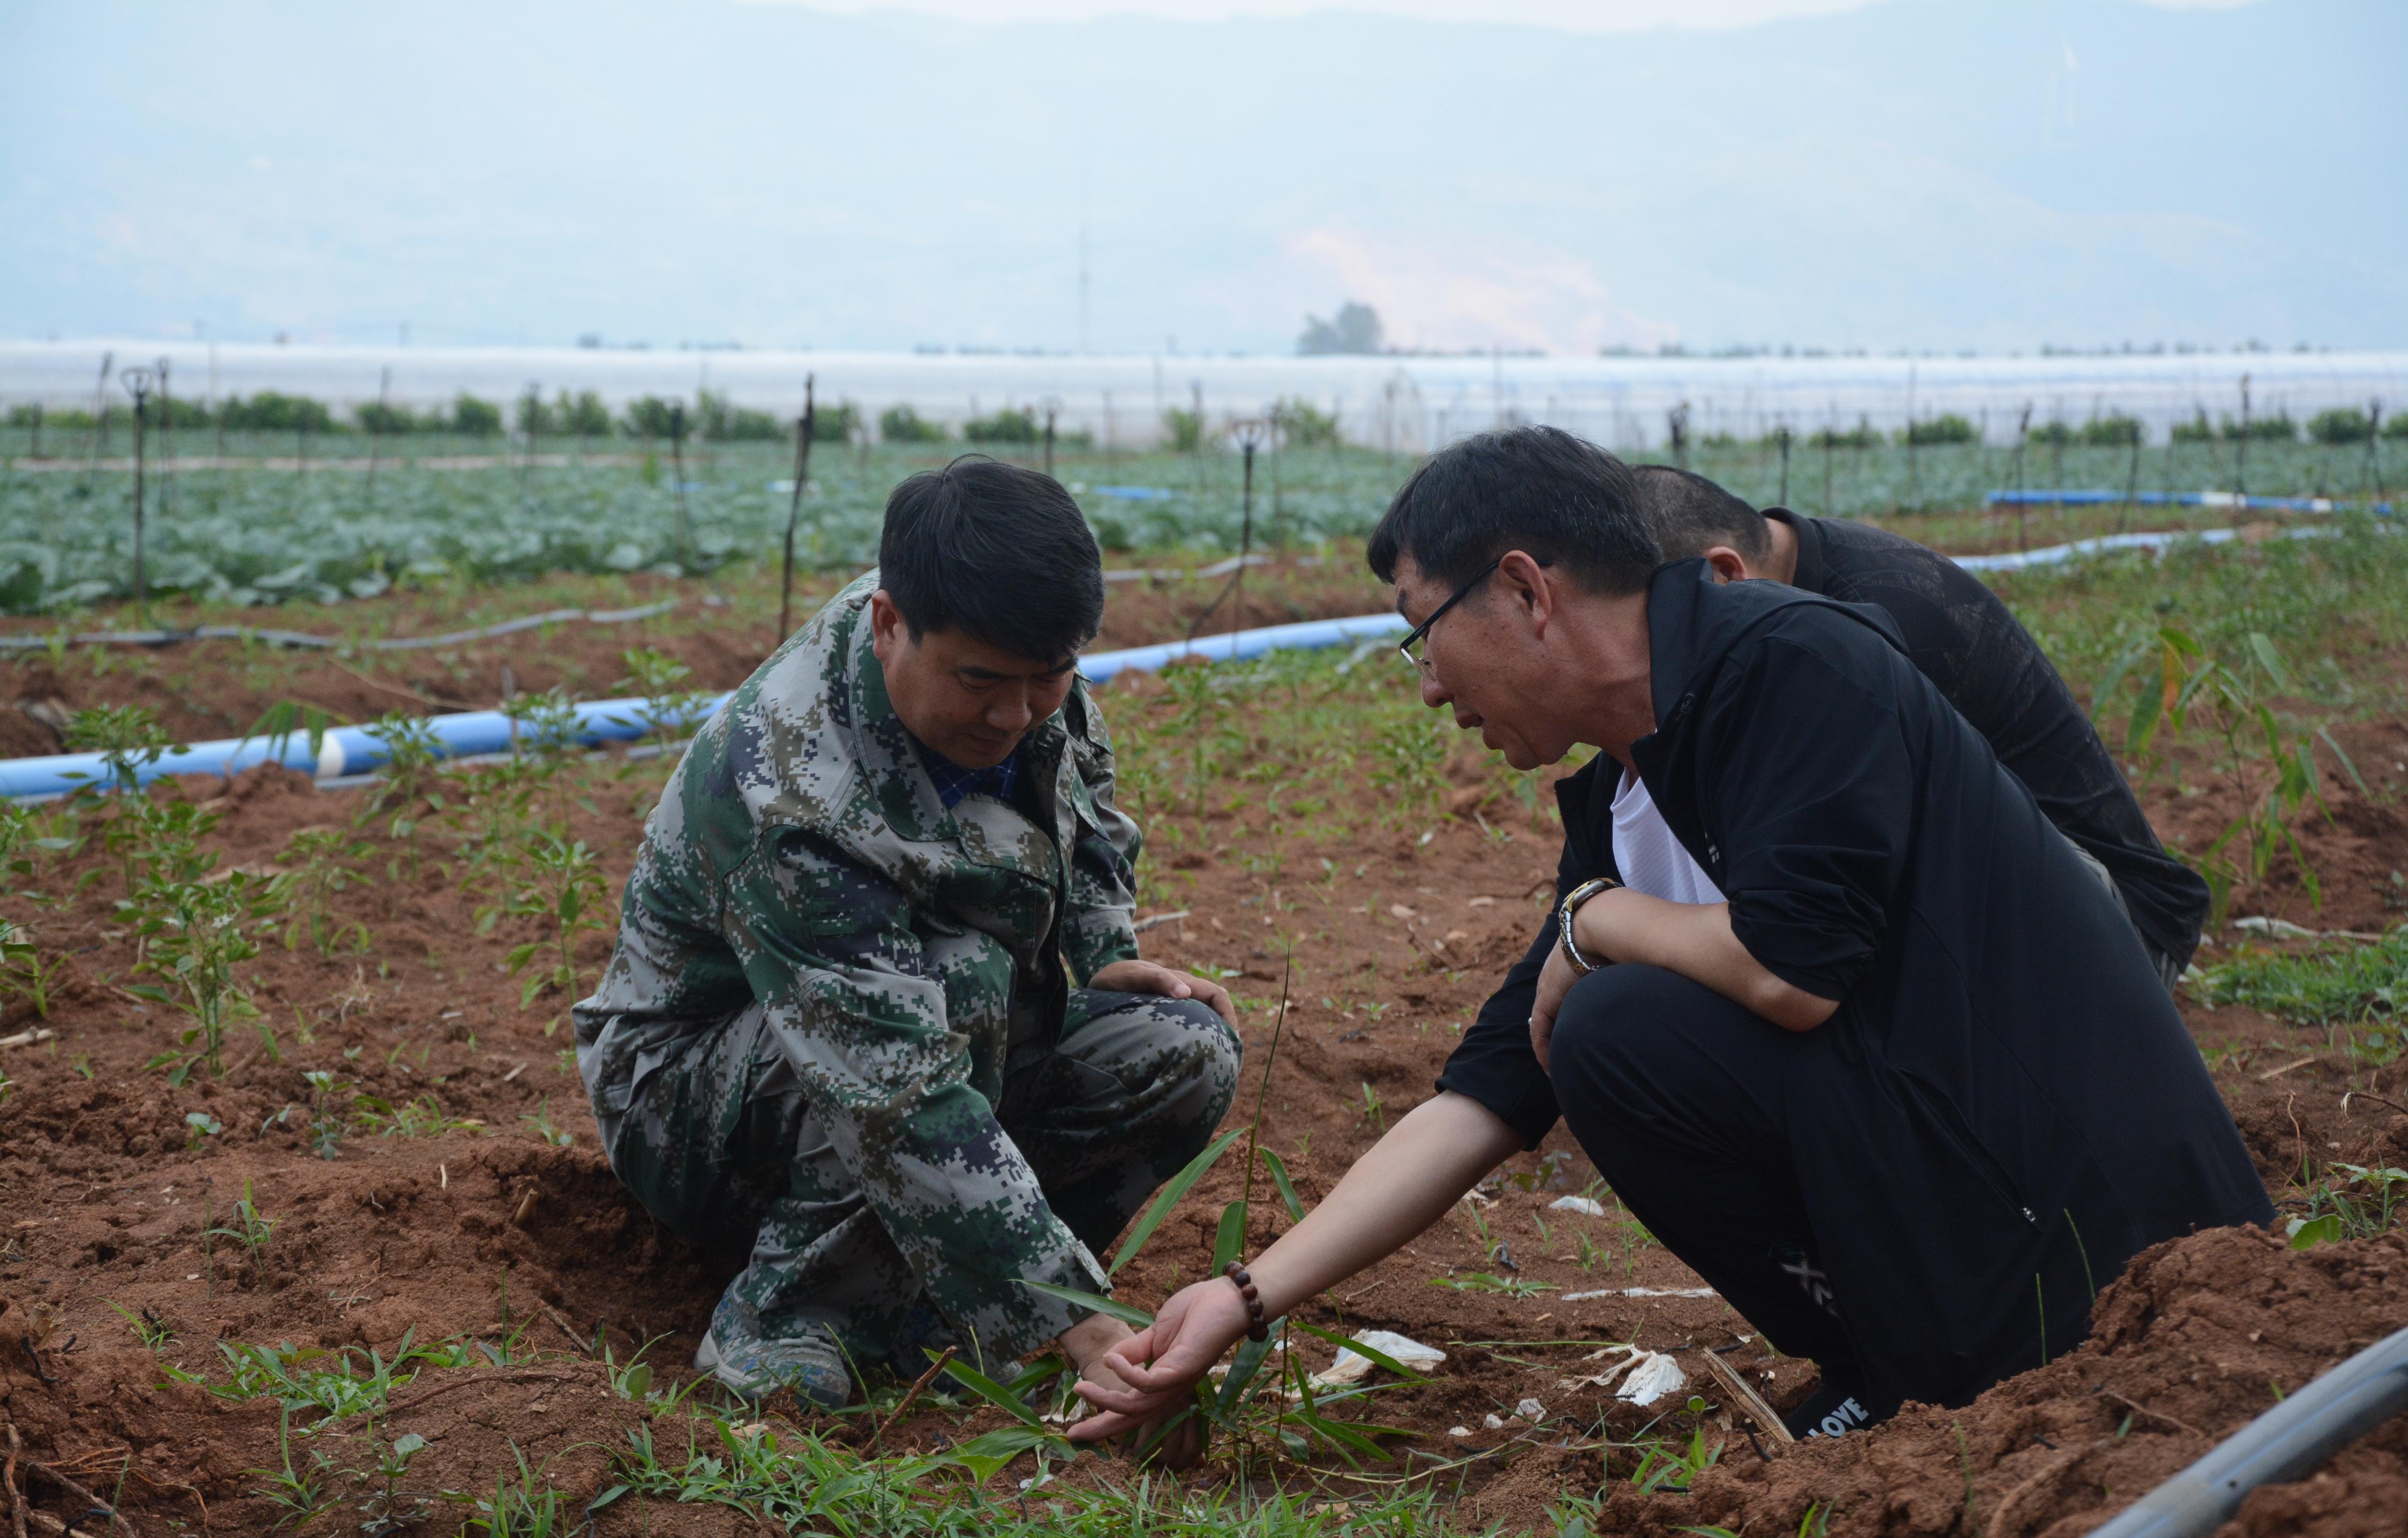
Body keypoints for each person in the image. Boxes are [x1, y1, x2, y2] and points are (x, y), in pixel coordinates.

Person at [1069, 427, 2269, 1448]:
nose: (1427, 688)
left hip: (2113, 1238)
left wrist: (1596, 925)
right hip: (1972, 1200)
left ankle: (1946, 1360)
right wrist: (1241, 1294)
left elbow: (1792, 972)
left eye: (1416, 630)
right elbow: (1486, 1095)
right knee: (1584, 1033)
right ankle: (1897, 1368)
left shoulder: (1792, 664)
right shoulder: (1632, 787)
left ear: (1528, 592)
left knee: (1615, 1025)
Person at [575, 458, 1241, 1413]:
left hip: (925, 1037)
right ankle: (786, 1316)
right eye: (981, 683)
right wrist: (1075, 1318)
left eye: (1048, 678)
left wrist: (1103, 951)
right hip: (692, 1097)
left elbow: (1083, 803)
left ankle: (948, 1292)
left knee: (1182, 1048)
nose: (1014, 715)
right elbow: (890, 1086)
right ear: (890, 627)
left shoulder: (1013, 657)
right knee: (959, 985)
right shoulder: (790, 780)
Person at [1631, 465, 2207, 988]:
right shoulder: (1793, 589)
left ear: (1723, 577)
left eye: (1656, 631)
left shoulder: (1872, 628)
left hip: (2119, 927)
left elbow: (1823, 908)